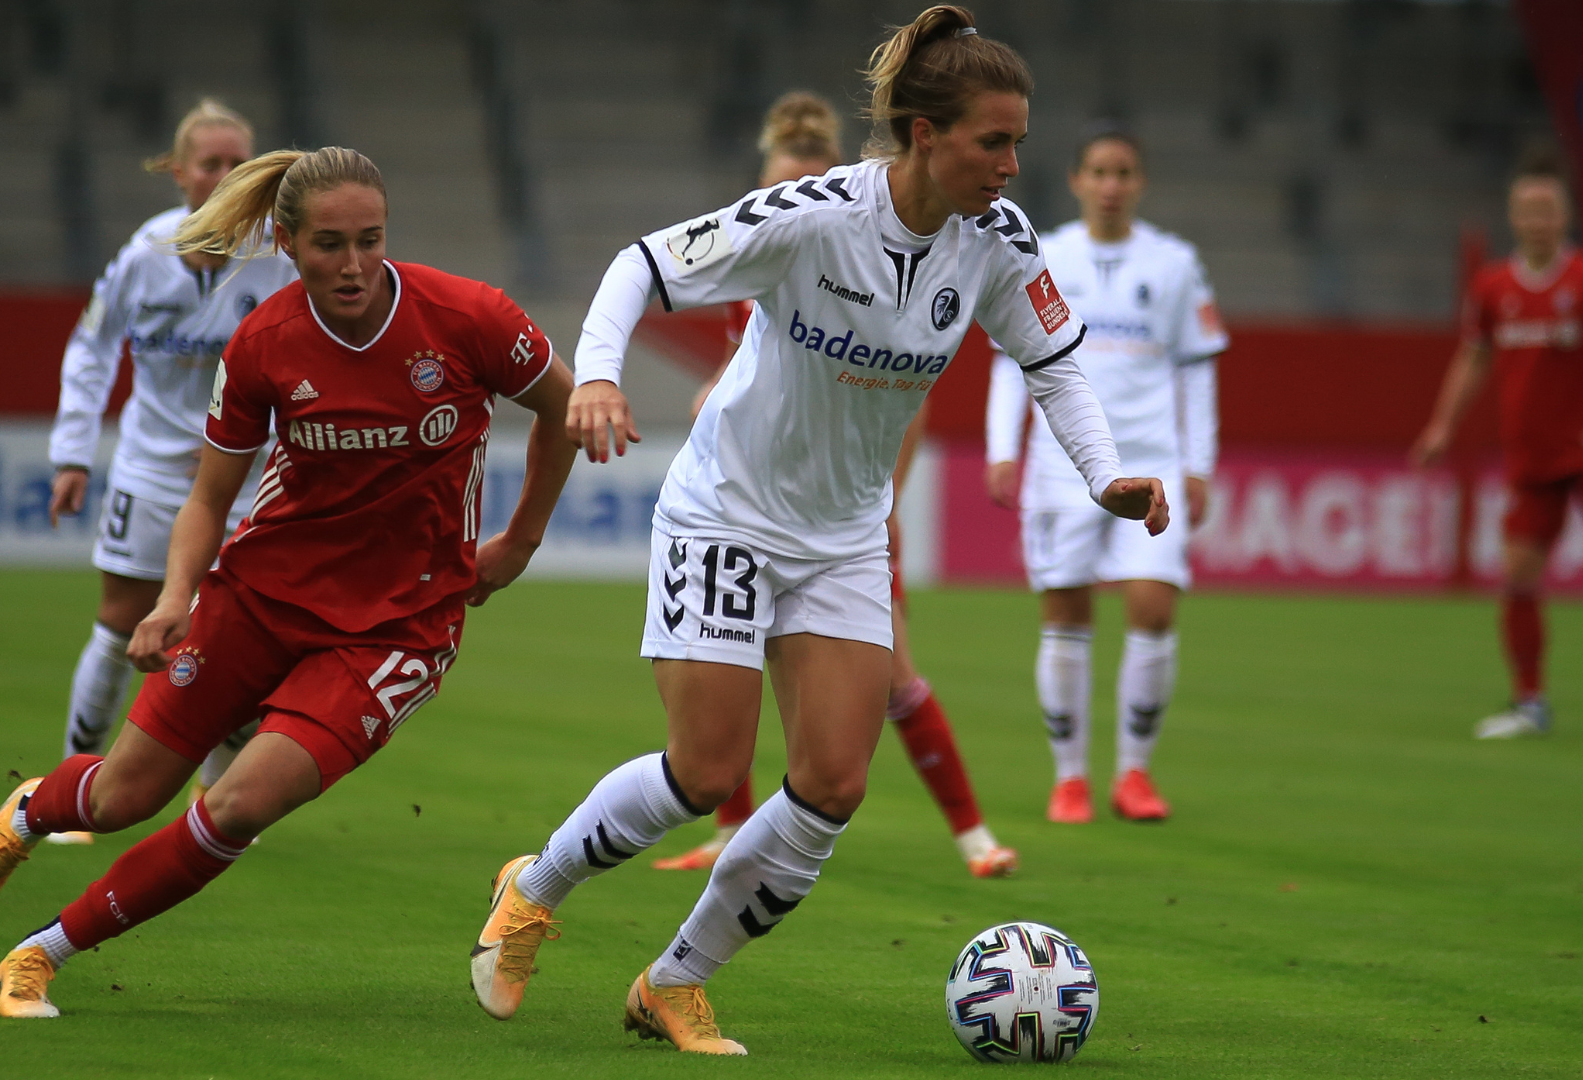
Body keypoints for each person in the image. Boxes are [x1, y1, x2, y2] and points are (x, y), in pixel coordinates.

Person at [469, 7, 1166, 1055]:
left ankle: (674, 981)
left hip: (842, 534)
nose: (1012, 165)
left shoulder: (998, 241)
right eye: (992, 141)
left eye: (1018, 141)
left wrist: (1104, 475)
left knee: (833, 783)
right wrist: (600, 375)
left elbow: (1053, 364)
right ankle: (535, 888)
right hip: (726, 514)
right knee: (704, 772)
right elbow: (640, 267)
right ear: (924, 135)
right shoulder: (808, 214)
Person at [0, 146, 578, 1019]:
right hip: (261, 597)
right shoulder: (265, 343)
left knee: (235, 806)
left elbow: (563, 412)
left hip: (398, 628)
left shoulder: (470, 317)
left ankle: (40, 955)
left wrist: (521, 541)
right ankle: (28, 813)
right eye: (328, 245)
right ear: (285, 242)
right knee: (124, 796)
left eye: (370, 241)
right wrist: (172, 601)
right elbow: (209, 497)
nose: (352, 265)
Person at [658, 91, 1017, 879]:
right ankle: (730, 831)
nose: (787, 201)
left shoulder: (866, 257)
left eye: (808, 181)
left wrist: (885, 502)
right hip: (758, 504)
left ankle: (974, 834)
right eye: (774, 187)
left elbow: (897, 402)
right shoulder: (754, 270)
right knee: (729, 663)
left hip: (845, 516)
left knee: (892, 680)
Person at [44, 99, 297, 843]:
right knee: (121, 622)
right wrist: (70, 450)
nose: (224, 176)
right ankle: (71, 785)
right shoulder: (144, 254)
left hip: (246, 478)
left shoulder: (279, 258)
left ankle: (217, 799)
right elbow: (91, 348)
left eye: (237, 164)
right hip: (150, 471)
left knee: (247, 633)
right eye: (210, 163)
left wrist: (262, 439)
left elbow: (303, 362)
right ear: (179, 171)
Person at [984, 123, 1225, 825]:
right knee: (1065, 613)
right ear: (1077, 181)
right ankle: (1070, 780)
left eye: (1123, 172)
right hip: (1061, 466)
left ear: (1139, 183)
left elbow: (1197, 370)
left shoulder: (1176, 263)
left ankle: (1134, 774)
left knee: (1153, 608)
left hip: (1153, 461)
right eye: (1099, 172)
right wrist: (1004, 447)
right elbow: (1011, 360)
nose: (1111, 185)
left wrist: (1199, 466)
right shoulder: (1045, 255)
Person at [1413, 146, 1583, 739]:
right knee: (1518, 577)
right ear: (1514, 215)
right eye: (1528, 210)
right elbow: (1473, 359)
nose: (1539, 221)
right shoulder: (1493, 287)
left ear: (1565, 214)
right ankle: (1530, 701)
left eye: (1549, 210)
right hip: (1532, 455)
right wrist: (1442, 425)